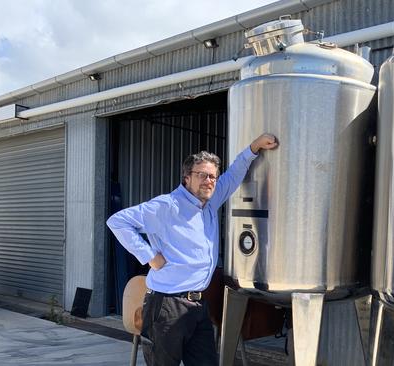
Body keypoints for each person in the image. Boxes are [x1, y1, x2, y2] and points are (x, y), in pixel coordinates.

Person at [107, 133, 278, 366]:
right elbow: (117, 221)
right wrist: (148, 256)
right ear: (187, 178)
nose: (209, 181)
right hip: (167, 307)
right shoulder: (167, 206)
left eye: (212, 177)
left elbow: (234, 175)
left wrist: (254, 147)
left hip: (198, 306)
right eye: (202, 175)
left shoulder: (211, 200)